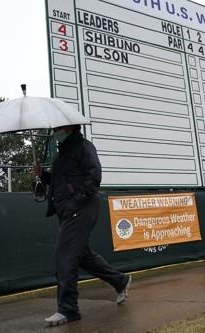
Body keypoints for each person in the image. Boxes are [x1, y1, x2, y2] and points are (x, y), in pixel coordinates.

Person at [33, 125, 131, 327]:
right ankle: (120, 281)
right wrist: (42, 175)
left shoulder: (84, 147)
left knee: (65, 255)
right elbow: (60, 181)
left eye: (58, 128)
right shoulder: (62, 154)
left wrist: (75, 202)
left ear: (69, 128)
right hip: (68, 211)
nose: (55, 132)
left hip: (82, 208)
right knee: (82, 256)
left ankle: (68, 310)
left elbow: (94, 178)